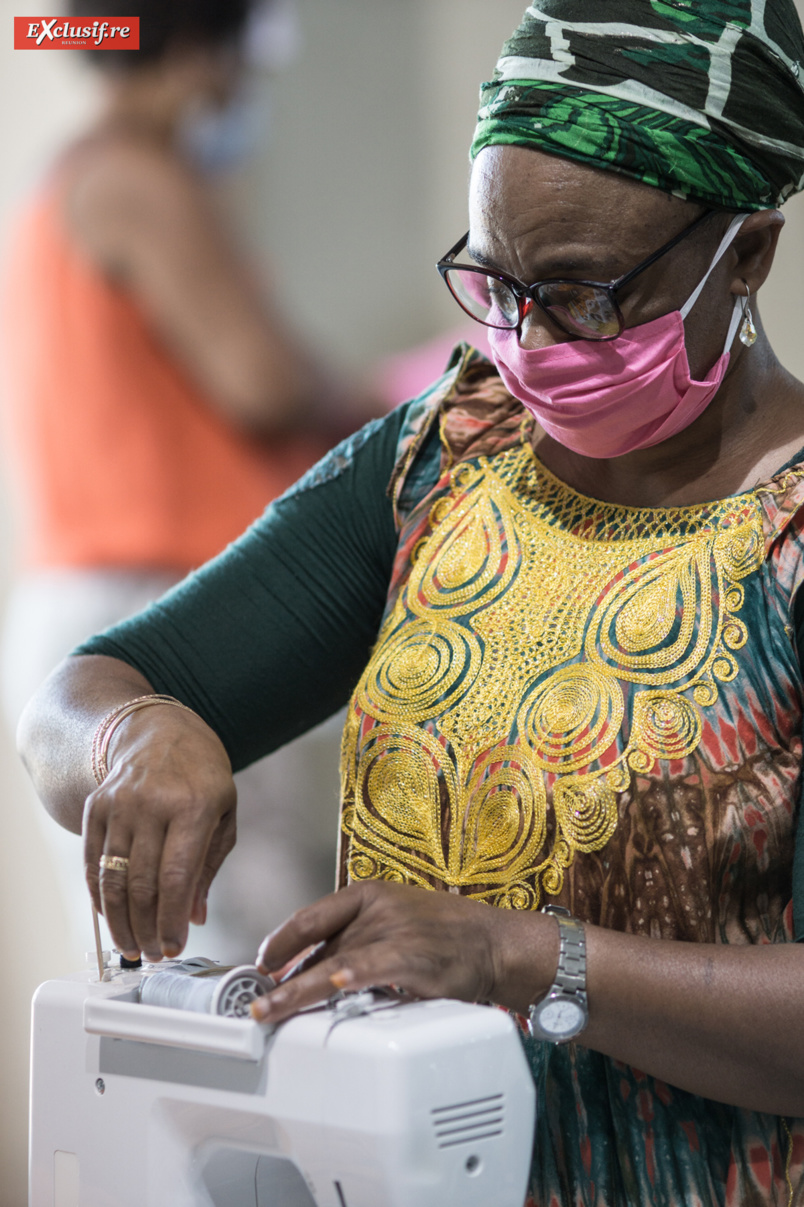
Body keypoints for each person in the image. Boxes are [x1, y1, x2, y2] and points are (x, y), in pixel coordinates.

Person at [18, 1, 804, 1202]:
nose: (529, 342)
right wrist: (131, 737)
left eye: (587, 294)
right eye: (496, 283)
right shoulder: (450, 453)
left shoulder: (788, 537)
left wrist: (517, 954)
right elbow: (81, 694)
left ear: (746, 254)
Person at [1, 0, 368, 959]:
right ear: (202, 47)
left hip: (95, 605)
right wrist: (392, 401)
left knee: (156, 958)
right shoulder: (136, 178)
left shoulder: (73, 179)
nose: (241, 85)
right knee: (235, 954)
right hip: (164, 611)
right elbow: (264, 379)